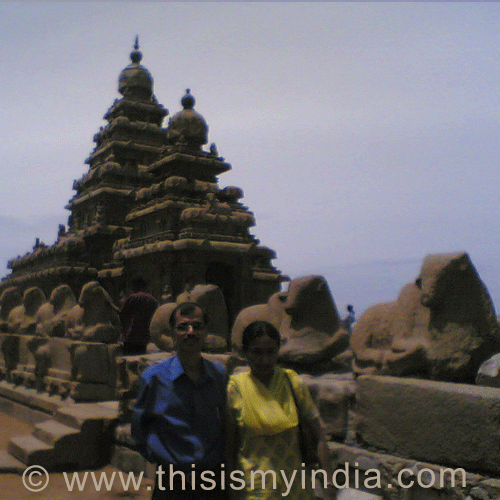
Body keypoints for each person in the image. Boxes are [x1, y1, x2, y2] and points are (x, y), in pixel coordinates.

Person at [226, 321, 337, 500]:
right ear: (245, 352)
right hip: (254, 491)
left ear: (278, 351)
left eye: (271, 352)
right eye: (257, 352)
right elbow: (230, 447)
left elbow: (319, 437)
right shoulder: (236, 388)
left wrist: (329, 483)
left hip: (296, 489)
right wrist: (232, 489)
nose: (265, 360)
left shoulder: (292, 383)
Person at [131, 302, 227, 500]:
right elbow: (138, 429)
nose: (190, 332)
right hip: (171, 483)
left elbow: (226, 422)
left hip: (212, 480)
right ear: (173, 333)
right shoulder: (154, 378)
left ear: (206, 332)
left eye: (197, 326)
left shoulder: (219, 376)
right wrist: (161, 456)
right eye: (183, 326)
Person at [119, 277, 158, 355]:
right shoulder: (153, 300)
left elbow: (122, 314)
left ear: (136, 286)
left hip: (131, 336)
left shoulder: (133, 297)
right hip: (145, 336)